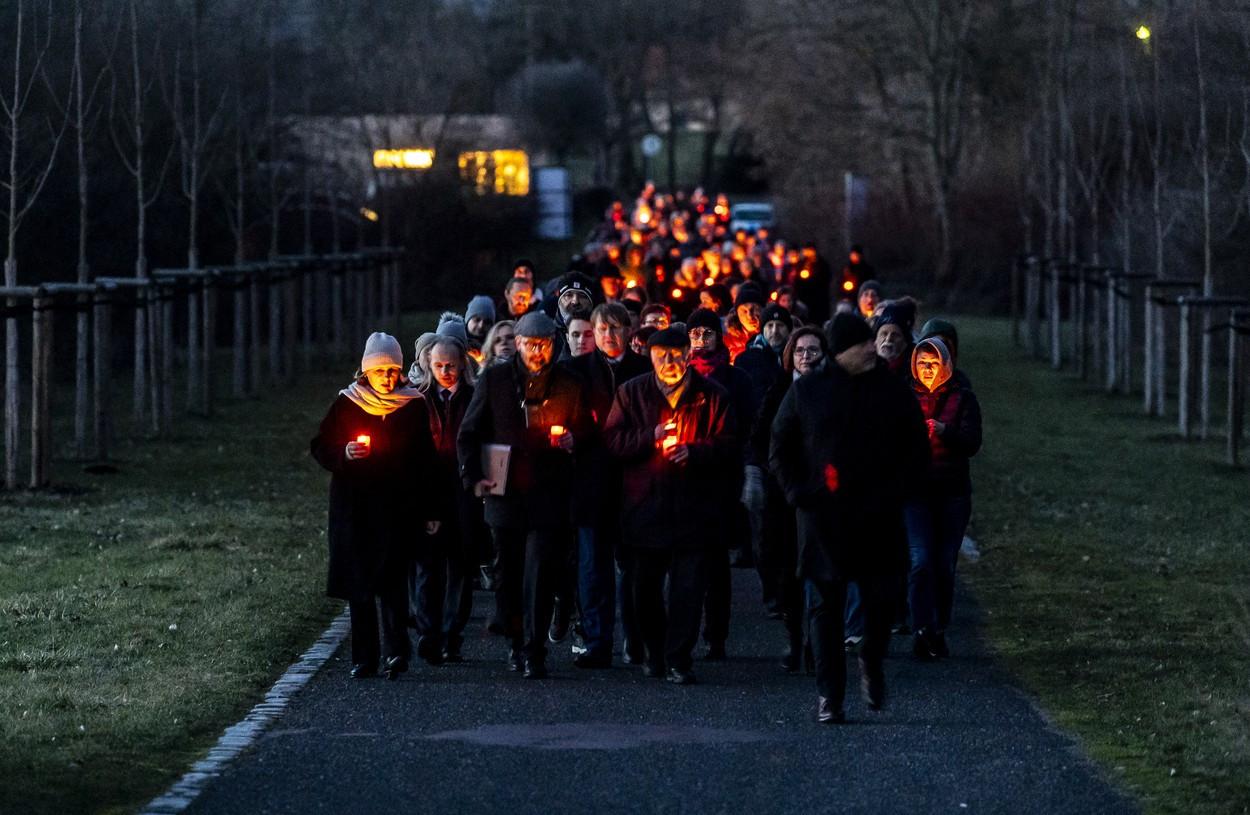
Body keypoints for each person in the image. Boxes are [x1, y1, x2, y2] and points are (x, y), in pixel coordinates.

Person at [769, 313, 929, 722]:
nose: (873, 350)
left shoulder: (893, 392)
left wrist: (900, 490)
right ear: (841, 353)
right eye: (864, 346)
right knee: (825, 606)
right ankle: (830, 695)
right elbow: (780, 444)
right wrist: (797, 492)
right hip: (823, 516)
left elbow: (915, 448)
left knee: (879, 602)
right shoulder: (808, 392)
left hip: (878, 515)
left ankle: (871, 660)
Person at [457, 311, 590, 680]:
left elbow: (589, 432)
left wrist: (573, 440)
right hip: (506, 494)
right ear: (517, 343)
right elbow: (469, 433)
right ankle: (515, 642)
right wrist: (474, 477)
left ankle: (534, 649)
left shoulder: (569, 381)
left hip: (549, 495)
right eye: (531, 344)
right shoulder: (496, 379)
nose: (537, 351)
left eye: (544, 344)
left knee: (540, 574)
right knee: (509, 574)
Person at [604, 327, 739, 684]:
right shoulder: (631, 393)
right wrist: (651, 437)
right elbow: (612, 440)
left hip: (694, 509)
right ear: (650, 358)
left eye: (677, 355)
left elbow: (729, 443)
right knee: (644, 589)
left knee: (688, 591)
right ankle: (654, 648)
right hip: (645, 506)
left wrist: (693, 452)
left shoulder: (712, 395)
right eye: (662, 356)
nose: (670, 363)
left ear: (688, 356)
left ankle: (679, 657)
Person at [310, 332, 440, 681]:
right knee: (359, 585)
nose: (386, 376)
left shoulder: (411, 405)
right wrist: (345, 453)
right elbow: (322, 444)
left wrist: (430, 510)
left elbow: (426, 460)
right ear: (366, 371)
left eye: (392, 370)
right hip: (355, 508)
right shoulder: (347, 404)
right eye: (379, 370)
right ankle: (363, 656)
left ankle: (396, 652)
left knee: (394, 584)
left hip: (397, 507)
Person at [745, 325, 827, 672]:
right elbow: (760, 435)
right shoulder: (780, 388)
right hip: (784, 490)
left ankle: (819, 644)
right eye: (800, 351)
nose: (806, 356)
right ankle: (796, 640)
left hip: (823, 492)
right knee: (787, 568)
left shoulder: (832, 390)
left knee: (821, 570)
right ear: (789, 356)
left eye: (813, 350)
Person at [906, 336, 982, 660]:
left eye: (934, 362)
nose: (927, 369)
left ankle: (938, 627)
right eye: (922, 362)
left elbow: (971, 442)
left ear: (946, 365)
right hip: (916, 494)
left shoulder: (963, 399)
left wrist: (943, 431)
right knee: (921, 562)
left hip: (952, 495)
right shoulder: (905, 397)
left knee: (943, 566)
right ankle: (923, 627)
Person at [685, 307, 754, 658]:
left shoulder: (735, 378)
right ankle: (683, 631)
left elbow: (745, 427)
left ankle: (715, 634)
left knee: (714, 562)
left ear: (718, 337)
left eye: (707, 334)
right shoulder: (678, 375)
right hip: (682, 478)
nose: (700, 341)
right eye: (694, 335)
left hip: (720, 478)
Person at [410, 337, 481, 665]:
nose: (445, 371)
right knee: (429, 564)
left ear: (462, 364)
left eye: (450, 365)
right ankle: (429, 629)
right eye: (438, 366)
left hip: (464, 491)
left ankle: (452, 632)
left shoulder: (474, 398)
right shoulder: (422, 401)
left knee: (461, 565)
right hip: (430, 489)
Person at [873, 300, 917, 379]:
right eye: (884, 334)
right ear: (876, 339)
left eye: (895, 335)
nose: (888, 339)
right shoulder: (864, 365)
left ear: (905, 342)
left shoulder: (916, 368)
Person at [723, 284, 764, 362]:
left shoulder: (772, 337)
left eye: (754, 309)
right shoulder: (727, 343)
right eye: (744, 311)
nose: (750, 316)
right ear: (737, 314)